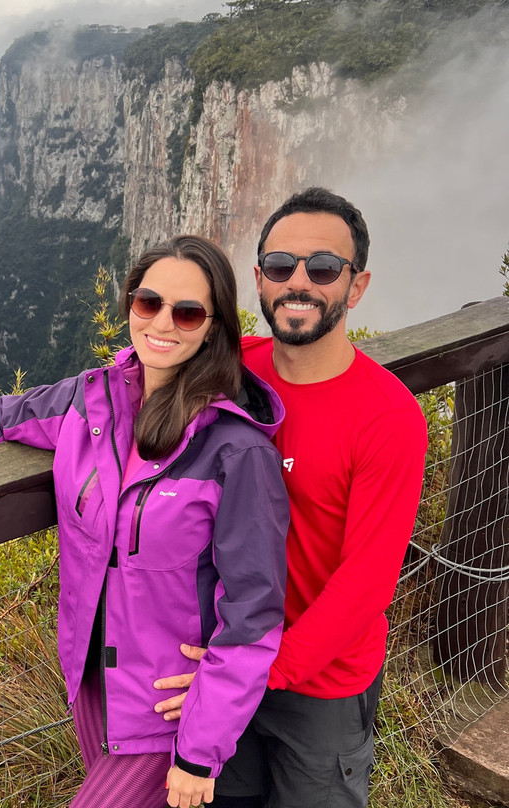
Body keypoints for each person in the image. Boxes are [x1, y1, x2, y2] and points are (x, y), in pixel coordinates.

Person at [0, 235, 290, 808]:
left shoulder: (237, 453)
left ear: (214, 327)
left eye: (188, 311)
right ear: (130, 304)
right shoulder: (92, 401)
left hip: (166, 704)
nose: (163, 323)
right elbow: (2, 416)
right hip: (94, 679)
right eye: (148, 303)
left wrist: (201, 748)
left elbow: (253, 613)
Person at [152, 188, 429, 808]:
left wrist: (253, 672)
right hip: (226, 661)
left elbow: (366, 585)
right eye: (280, 266)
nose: (298, 283)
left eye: (324, 268)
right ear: (258, 279)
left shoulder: (388, 419)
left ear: (355, 287)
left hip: (319, 687)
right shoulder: (231, 370)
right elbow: (119, 387)